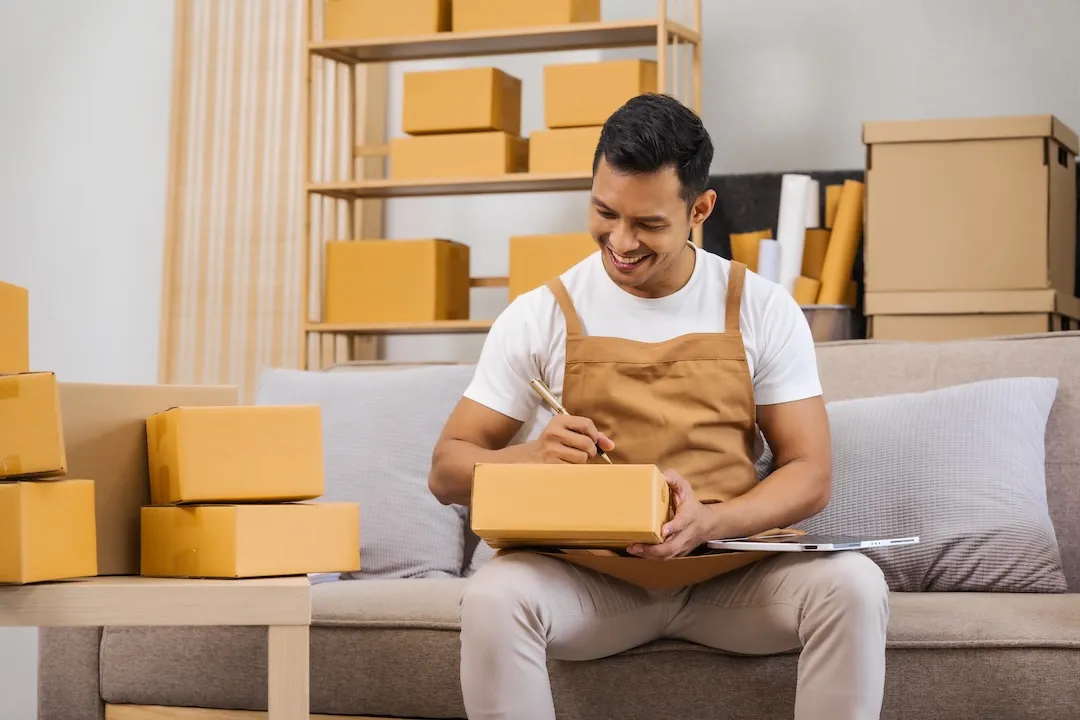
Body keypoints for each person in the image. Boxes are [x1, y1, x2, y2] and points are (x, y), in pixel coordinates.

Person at [427, 93, 888, 720]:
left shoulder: (760, 306)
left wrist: (710, 523)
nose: (620, 242)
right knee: (491, 598)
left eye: (648, 224)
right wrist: (531, 456)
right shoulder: (539, 315)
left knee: (855, 585)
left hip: (730, 577)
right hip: (591, 583)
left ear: (700, 208)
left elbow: (811, 472)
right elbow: (447, 472)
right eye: (604, 212)